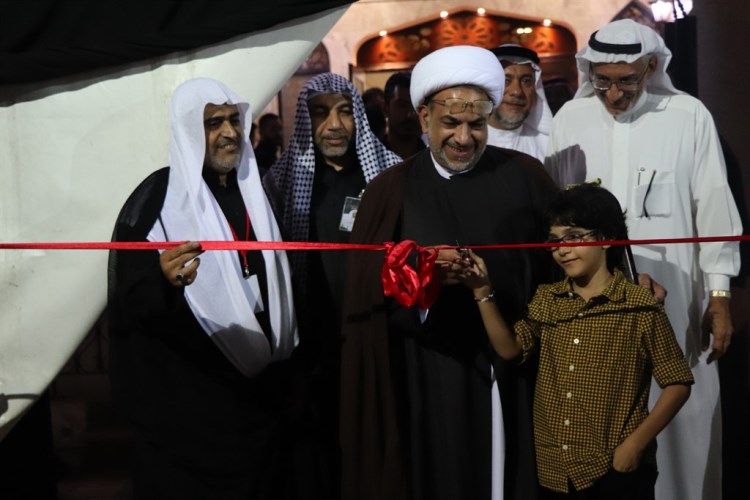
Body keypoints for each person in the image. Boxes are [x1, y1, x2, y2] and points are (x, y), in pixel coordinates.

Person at [340, 45, 559, 500]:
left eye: (476, 124)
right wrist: (423, 283)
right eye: (451, 123)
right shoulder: (389, 191)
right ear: (424, 118)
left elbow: (556, 269)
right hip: (427, 374)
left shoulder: (527, 177)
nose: (464, 138)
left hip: (515, 370)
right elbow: (366, 295)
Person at [544, 19, 742, 500]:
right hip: (595, 304)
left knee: (683, 411)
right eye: (602, 81)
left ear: (651, 68)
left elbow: (714, 209)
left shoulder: (687, 115)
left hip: (679, 301)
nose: (613, 95)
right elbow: (556, 212)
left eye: (626, 81)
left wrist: (718, 295)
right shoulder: (570, 119)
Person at [108, 78, 299, 499]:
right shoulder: (157, 202)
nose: (230, 133)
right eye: (213, 123)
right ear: (188, 130)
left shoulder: (254, 189)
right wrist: (163, 281)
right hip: (194, 409)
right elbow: (132, 302)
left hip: (263, 403)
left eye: (234, 120)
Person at [461, 183, 694, 499]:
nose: (562, 249)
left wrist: (634, 445)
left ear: (606, 238)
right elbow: (511, 348)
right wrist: (482, 292)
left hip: (616, 470)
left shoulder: (639, 304)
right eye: (555, 241)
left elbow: (678, 382)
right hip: (555, 471)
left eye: (573, 236)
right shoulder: (548, 298)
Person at [264, 72, 401, 499]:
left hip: (377, 334)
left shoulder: (390, 174)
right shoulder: (281, 181)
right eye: (320, 114)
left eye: (344, 112)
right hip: (311, 343)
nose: (335, 125)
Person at [486, 44, 553, 162]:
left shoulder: (549, 147)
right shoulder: (465, 142)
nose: (517, 91)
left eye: (526, 81)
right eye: (505, 80)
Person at [382, 71, 426, 160]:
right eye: (402, 105)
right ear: (386, 109)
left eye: (416, 106)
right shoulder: (370, 159)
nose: (410, 114)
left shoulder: (434, 161)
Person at [254, 112, 284, 176]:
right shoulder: (260, 158)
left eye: (280, 129)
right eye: (273, 129)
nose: (279, 133)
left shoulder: (272, 155)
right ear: (261, 133)